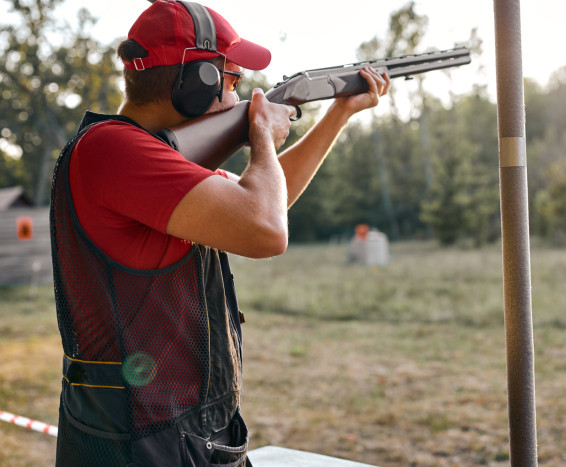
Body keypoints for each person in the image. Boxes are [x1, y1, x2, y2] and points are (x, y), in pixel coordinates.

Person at [49, 1, 390, 466]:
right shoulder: (114, 150)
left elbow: (269, 200)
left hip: (179, 431)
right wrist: (262, 138)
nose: (239, 94)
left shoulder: (144, 157)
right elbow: (266, 230)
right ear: (196, 83)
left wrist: (338, 114)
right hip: (142, 443)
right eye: (231, 80)